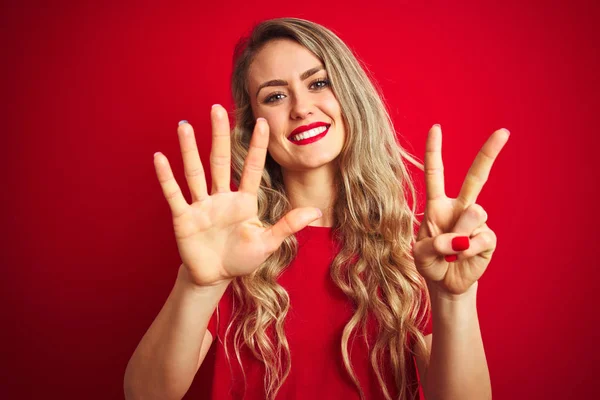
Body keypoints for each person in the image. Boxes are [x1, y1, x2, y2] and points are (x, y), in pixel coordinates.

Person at [124, 17, 509, 400]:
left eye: (318, 83)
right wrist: (197, 285)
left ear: (349, 94)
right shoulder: (234, 246)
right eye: (275, 96)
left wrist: (454, 299)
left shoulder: (418, 251)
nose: (301, 108)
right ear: (254, 125)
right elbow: (144, 395)